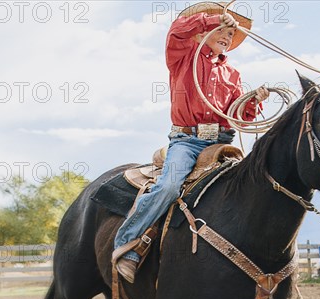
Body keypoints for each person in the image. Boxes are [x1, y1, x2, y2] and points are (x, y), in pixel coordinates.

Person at [114, 1, 270, 283]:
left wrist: (252, 102)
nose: (228, 35)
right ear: (201, 33)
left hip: (223, 141)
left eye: (230, 33)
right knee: (169, 186)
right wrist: (213, 20)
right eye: (222, 29)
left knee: (251, 188)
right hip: (187, 141)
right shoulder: (182, 56)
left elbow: (237, 118)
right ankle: (128, 245)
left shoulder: (232, 75)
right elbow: (177, 32)